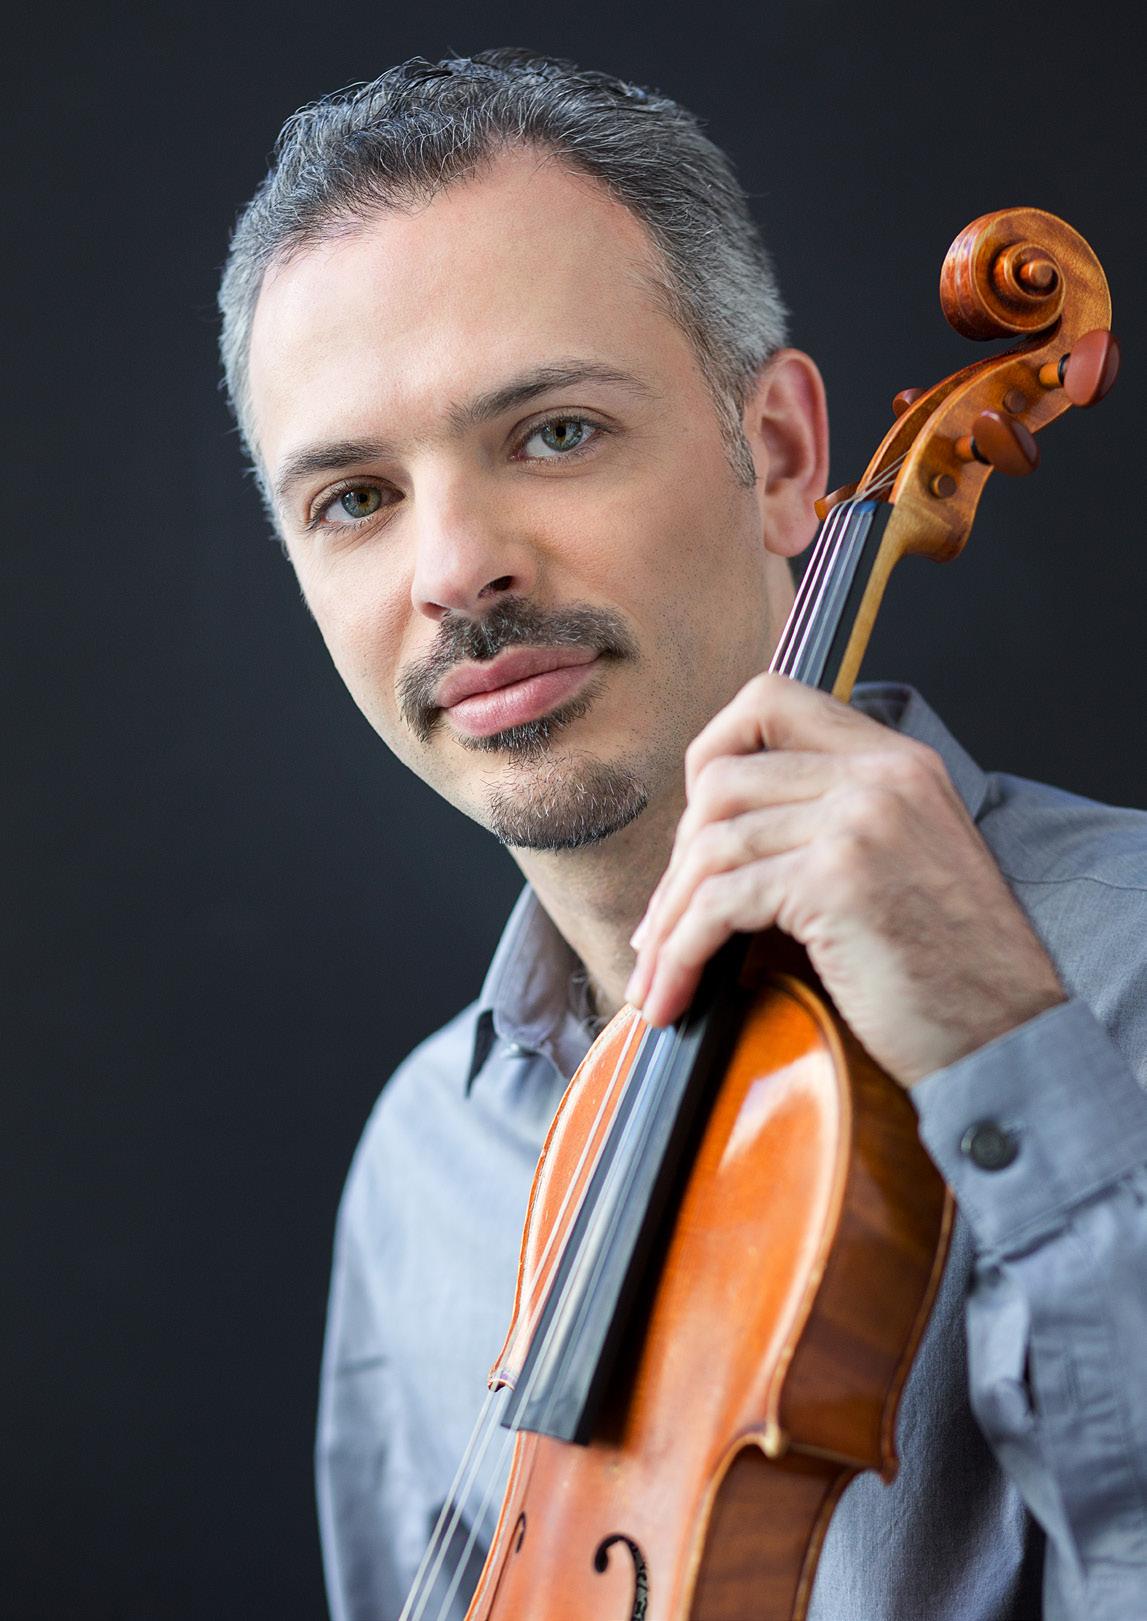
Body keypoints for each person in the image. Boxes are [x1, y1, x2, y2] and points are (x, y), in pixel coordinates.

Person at [217, 49, 1147, 1621]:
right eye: (357, 499)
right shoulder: (423, 1161)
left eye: (554, 432)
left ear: (777, 456)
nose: (455, 571)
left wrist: (1005, 1049)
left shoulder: (1127, 975)